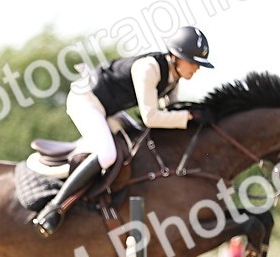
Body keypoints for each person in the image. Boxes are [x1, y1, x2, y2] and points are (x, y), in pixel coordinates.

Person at [32, 25, 215, 237]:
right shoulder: (149, 68)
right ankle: (54, 208)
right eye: (193, 62)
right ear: (175, 56)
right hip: (86, 101)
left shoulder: (174, 78)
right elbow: (151, 117)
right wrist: (189, 117)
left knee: (137, 143)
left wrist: (194, 114)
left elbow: (171, 112)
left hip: (108, 108)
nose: (196, 68)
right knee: (108, 154)